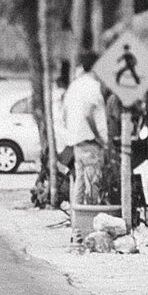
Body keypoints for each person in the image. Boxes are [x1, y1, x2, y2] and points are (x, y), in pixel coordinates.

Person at [62, 65, 111, 207]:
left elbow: (64, 114)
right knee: (93, 181)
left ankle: (76, 217)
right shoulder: (92, 86)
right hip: (90, 141)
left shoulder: (74, 86)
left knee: (80, 180)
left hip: (77, 141)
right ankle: (91, 217)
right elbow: (88, 113)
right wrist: (98, 137)